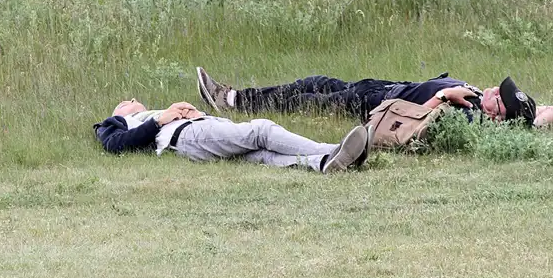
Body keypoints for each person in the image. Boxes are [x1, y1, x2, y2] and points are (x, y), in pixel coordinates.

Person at [195, 68, 553, 128]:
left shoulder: (471, 118)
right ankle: (236, 96)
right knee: (318, 81)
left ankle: (230, 103)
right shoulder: (488, 109)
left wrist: (447, 96)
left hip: (379, 105)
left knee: (308, 99)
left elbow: (419, 121)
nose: (490, 91)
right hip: (379, 86)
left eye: (497, 98)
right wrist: (531, 119)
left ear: (497, 118)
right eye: (497, 89)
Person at [94, 99, 370, 174]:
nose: (131, 99)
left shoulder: (150, 115)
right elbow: (115, 145)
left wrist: (193, 111)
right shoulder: (116, 123)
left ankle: (322, 164)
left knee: (262, 156)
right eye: (124, 101)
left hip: (199, 132)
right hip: (187, 137)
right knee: (261, 130)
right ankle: (334, 150)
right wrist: (160, 118)